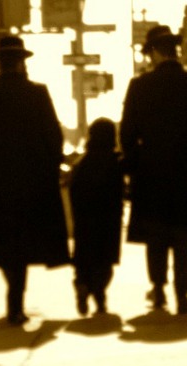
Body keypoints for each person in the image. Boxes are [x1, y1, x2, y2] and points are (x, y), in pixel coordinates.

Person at [120, 25, 187, 315]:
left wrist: (136, 163)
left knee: (156, 236)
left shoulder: (139, 86)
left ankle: (158, 288)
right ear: (175, 50)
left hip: (152, 175)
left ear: (155, 52)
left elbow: (127, 134)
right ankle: (184, 292)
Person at [0, 35, 70, 325]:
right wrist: (50, 170)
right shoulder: (37, 93)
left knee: (5, 245)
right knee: (24, 244)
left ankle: (14, 297)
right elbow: (53, 137)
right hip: (32, 184)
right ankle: (16, 299)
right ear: (23, 62)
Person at [68, 118, 124, 316]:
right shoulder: (114, 164)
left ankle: (82, 284)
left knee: (83, 260)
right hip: (108, 222)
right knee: (104, 261)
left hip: (84, 223)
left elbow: (73, 194)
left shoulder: (80, 164)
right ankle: (99, 295)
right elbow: (120, 192)